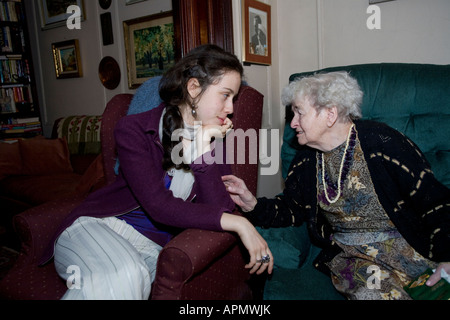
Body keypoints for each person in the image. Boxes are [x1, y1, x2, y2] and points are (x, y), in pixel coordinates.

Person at [42, 44, 273, 300]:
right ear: (194, 88)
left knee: (126, 280)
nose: (230, 108)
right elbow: (159, 206)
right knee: (126, 274)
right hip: (99, 229)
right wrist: (241, 224)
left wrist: (202, 151)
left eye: (234, 98)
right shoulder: (133, 129)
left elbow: (218, 207)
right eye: (225, 95)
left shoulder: (215, 141)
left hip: (151, 249)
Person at [223, 71, 450, 300]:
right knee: (375, 295)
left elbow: (434, 201)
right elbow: (292, 208)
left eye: (299, 112)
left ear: (330, 114)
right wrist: (253, 204)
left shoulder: (384, 144)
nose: (292, 123)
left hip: (409, 245)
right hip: (355, 259)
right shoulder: (306, 160)